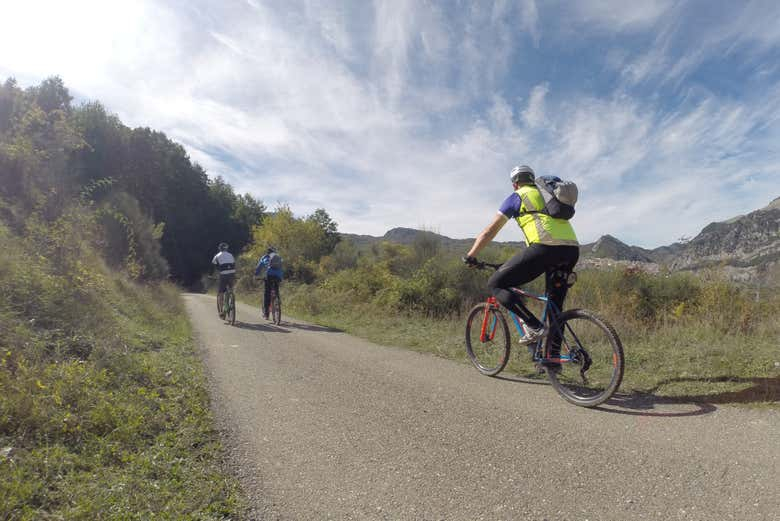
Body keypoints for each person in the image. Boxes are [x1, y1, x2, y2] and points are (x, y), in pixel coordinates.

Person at [463, 165, 579, 351]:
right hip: (571, 249)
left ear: (515, 184)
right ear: (532, 179)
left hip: (544, 248)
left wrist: (471, 255)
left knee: (496, 284)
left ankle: (534, 327)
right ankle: (552, 361)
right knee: (555, 307)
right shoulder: (548, 195)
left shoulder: (518, 197)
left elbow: (489, 232)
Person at [254, 246, 284, 320]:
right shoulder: (278, 257)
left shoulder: (264, 257)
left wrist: (256, 275)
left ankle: (266, 314)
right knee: (276, 289)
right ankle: (278, 301)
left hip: (269, 276)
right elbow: (281, 266)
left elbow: (259, 267)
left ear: (268, 252)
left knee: (267, 293)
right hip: (278, 276)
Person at [212, 242, 236, 319]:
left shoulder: (217, 256)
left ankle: (221, 311)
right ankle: (231, 296)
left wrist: (211, 275)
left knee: (221, 292)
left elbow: (213, 266)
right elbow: (233, 264)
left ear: (220, 249)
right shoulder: (231, 255)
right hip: (232, 274)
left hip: (223, 275)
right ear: (226, 249)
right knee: (231, 287)